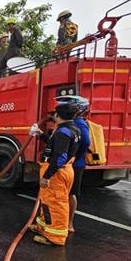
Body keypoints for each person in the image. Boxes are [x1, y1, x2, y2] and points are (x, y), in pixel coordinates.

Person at [30, 103, 81, 246]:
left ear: (58, 115)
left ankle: (55, 237)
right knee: (47, 201)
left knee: (56, 203)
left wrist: (47, 176)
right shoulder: (72, 129)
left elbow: (59, 157)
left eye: (55, 114)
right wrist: (41, 135)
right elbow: (55, 146)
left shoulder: (63, 132)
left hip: (57, 172)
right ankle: (43, 227)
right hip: (63, 169)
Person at [55, 95, 91, 233]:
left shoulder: (78, 123)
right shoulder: (69, 123)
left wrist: (73, 155)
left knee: (70, 194)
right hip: (69, 164)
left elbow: (86, 142)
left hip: (74, 165)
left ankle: (68, 224)